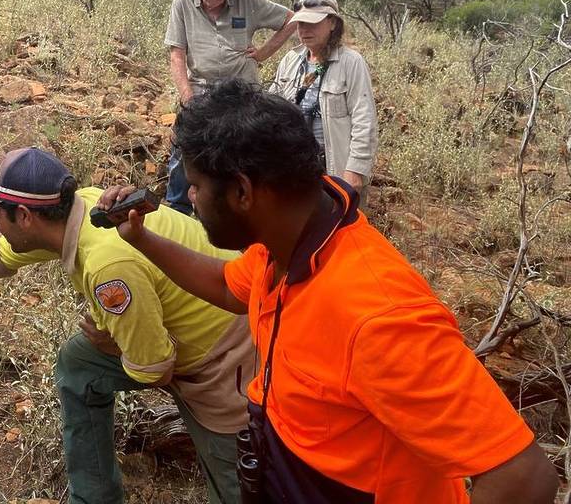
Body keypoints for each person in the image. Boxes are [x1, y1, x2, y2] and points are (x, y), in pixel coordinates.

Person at [97, 81, 558, 504]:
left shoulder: (378, 315)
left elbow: (524, 477)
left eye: (196, 187)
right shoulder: (283, 242)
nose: (191, 199)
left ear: (242, 192)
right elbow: (230, 288)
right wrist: (141, 240)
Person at [0, 147, 255, 504]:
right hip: (176, 327)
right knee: (80, 362)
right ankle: (94, 496)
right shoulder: (77, 209)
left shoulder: (106, 266)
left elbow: (156, 368)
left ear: (23, 217)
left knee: (236, 485)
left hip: (227, 353)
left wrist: (116, 345)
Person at [164, 0, 295, 214]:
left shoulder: (247, 1)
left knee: (245, 149)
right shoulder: (182, 4)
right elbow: (177, 53)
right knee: (185, 145)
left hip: (241, 90)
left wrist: (264, 52)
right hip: (201, 87)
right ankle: (177, 207)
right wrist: (187, 95)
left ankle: (240, 209)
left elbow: (291, 19)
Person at [269, 0, 377, 194]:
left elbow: (365, 120)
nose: (305, 30)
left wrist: (355, 170)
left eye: (313, 23)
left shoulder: (351, 62)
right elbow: (271, 111)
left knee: (340, 225)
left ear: (333, 24)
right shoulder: (290, 61)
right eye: (301, 24)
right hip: (294, 166)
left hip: (334, 169)